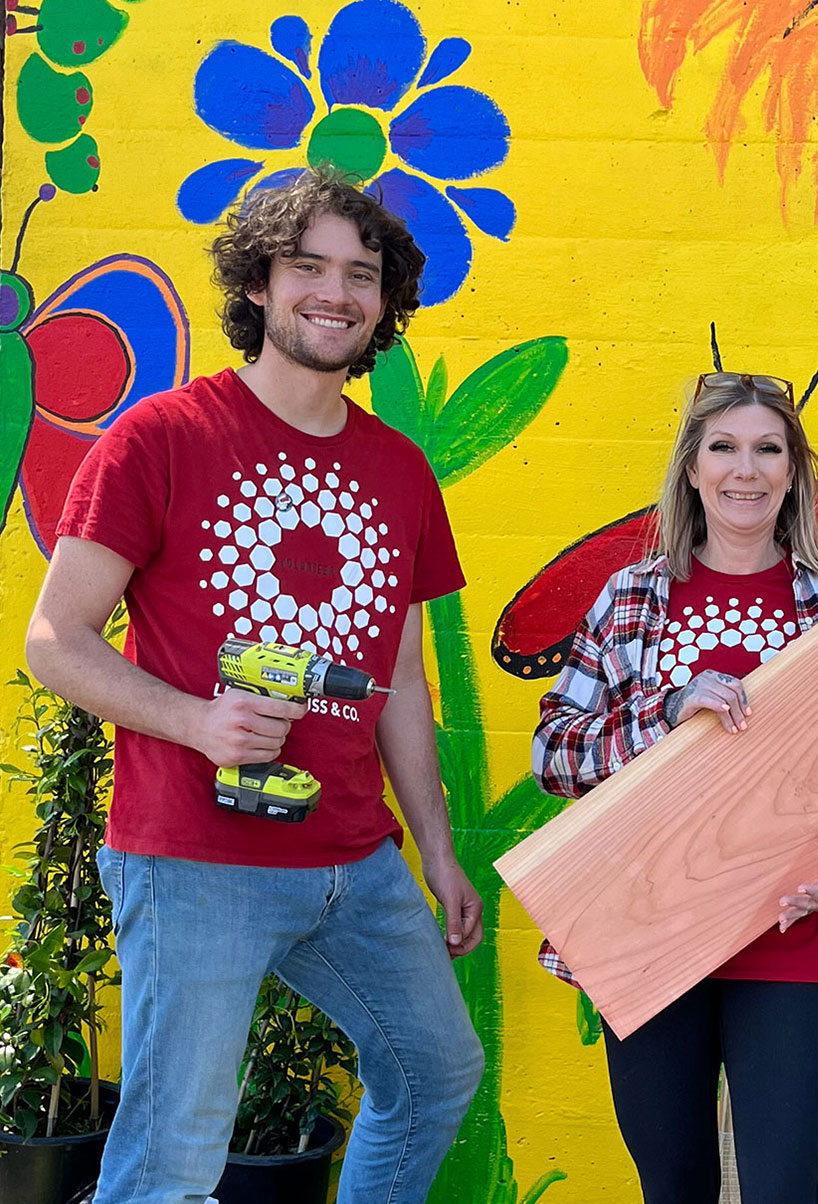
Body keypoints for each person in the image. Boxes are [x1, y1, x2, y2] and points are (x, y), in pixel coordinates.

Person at [25, 168, 484, 1204]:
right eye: (308, 266)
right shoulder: (161, 438)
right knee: (173, 1155)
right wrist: (197, 721)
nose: (336, 292)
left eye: (361, 275)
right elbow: (55, 639)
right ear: (260, 287)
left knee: (435, 1072)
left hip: (355, 860)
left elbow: (401, 679)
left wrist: (440, 850)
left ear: (386, 302)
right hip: (196, 858)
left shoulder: (400, 470)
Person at [531, 371, 818, 1204]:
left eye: (768, 450)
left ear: (794, 470)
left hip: (794, 934)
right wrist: (669, 713)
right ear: (694, 468)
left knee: (783, 1190)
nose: (747, 470)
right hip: (650, 935)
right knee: (674, 1186)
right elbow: (553, 753)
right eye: (725, 448)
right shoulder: (631, 596)